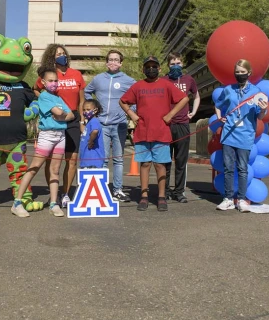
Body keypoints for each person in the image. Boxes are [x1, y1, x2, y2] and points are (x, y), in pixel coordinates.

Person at [119, 56, 189, 212]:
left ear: (160, 69)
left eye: (154, 66)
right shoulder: (138, 86)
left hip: (161, 131)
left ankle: (161, 197)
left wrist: (170, 115)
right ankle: (144, 196)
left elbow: (183, 99)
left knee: (160, 164)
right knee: (144, 164)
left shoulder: (166, 84)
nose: (151, 69)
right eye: (148, 66)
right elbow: (123, 101)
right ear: (143, 69)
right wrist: (132, 114)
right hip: (143, 131)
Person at [12, 67, 75, 218]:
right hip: (47, 135)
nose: (54, 83)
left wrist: (61, 116)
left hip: (60, 136)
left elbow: (71, 115)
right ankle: (17, 202)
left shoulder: (58, 98)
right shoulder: (44, 97)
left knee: (55, 170)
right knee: (34, 167)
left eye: (56, 81)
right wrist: (62, 115)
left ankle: (54, 203)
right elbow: (60, 113)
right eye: (51, 81)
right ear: (44, 82)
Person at [33, 44, 85, 207]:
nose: (61, 56)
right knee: (52, 161)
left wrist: (82, 120)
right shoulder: (50, 75)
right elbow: (36, 89)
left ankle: (65, 193)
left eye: (63, 53)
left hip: (73, 118)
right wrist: (46, 104)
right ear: (51, 57)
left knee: (72, 159)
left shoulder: (76, 74)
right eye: (57, 54)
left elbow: (82, 100)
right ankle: (53, 194)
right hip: (55, 120)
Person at [214, 59, 268, 212]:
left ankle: (242, 200)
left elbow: (260, 116)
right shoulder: (229, 90)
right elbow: (218, 105)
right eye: (237, 72)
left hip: (245, 135)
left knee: (242, 168)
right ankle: (228, 198)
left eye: (242, 72)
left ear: (249, 73)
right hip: (228, 134)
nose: (239, 75)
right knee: (228, 168)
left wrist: (263, 110)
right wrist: (219, 117)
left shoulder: (256, 92)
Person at [84, 49, 135, 201]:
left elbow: (138, 97)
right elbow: (87, 92)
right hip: (102, 125)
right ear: (106, 62)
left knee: (118, 158)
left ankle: (118, 190)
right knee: (104, 159)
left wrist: (130, 111)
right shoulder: (99, 79)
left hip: (119, 124)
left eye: (116, 60)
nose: (113, 62)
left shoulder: (128, 80)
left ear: (121, 63)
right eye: (110, 59)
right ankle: (102, 190)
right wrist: (93, 109)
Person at [162, 52, 200, 203]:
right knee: (165, 160)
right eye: (172, 64)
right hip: (166, 125)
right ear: (168, 66)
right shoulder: (163, 80)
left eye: (178, 63)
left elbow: (196, 96)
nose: (175, 66)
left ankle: (179, 192)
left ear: (182, 64)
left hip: (183, 124)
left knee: (180, 160)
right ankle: (163, 191)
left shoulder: (188, 79)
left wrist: (193, 112)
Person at [79, 99, 104, 169]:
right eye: (84, 110)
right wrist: (82, 120)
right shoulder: (89, 122)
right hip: (86, 158)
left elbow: (95, 131)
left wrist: (90, 141)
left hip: (92, 159)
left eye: (88, 109)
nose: (85, 112)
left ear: (95, 110)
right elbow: (83, 131)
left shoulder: (94, 121)